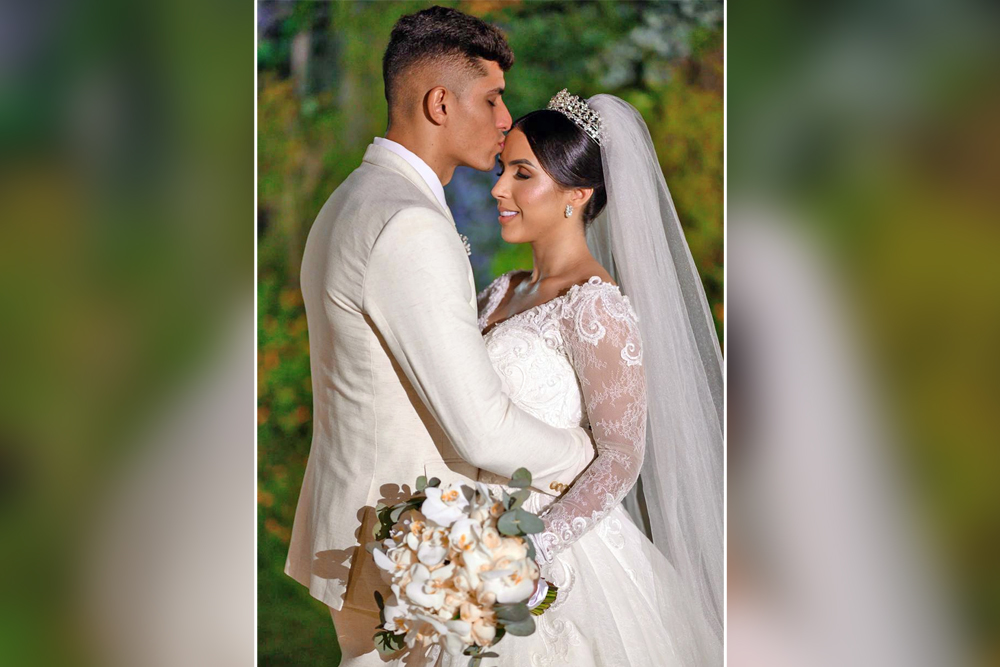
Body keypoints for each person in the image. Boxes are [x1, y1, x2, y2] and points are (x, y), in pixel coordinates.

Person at [283, 8, 596, 667]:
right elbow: (481, 429)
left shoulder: (351, 198)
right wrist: (583, 452)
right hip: (412, 545)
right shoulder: (409, 223)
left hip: (362, 532)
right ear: (440, 103)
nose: (506, 119)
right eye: (492, 99)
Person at [467, 91, 725, 666]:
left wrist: (532, 548)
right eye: (502, 169)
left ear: (577, 194)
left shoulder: (595, 307)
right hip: (466, 527)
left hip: (554, 550)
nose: (498, 189)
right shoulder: (502, 290)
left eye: (521, 174)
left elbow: (621, 456)